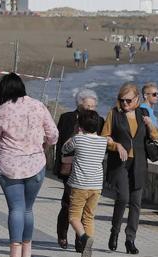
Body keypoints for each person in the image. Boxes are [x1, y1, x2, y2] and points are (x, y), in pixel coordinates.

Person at [0, 73, 58, 257]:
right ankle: (27, 252)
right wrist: (45, 145)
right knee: (27, 209)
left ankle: (14, 253)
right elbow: (54, 134)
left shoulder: (2, 110)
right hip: (36, 165)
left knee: (16, 209)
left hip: (9, 166)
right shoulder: (38, 106)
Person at [101, 82, 158, 254]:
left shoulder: (143, 113)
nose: (125, 104)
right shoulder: (114, 113)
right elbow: (105, 137)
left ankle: (130, 240)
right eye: (122, 100)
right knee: (123, 198)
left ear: (137, 99)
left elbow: (155, 136)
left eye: (128, 100)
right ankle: (115, 231)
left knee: (136, 203)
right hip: (120, 163)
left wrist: (149, 124)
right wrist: (116, 145)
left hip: (139, 163)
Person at [54, 89, 103, 251]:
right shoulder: (67, 118)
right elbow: (61, 145)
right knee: (67, 205)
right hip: (69, 171)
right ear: (79, 104)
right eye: (87, 105)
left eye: (93, 106)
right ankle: (62, 235)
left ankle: (81, 243)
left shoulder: (98, 120)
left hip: (86, 175)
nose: (90, 109)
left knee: (83, 213)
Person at [62, 109, 109, 257]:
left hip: (79, 186)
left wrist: (76, 134)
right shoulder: (103, 141)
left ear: (80, 125)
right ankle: (87, 250)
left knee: (74, 217)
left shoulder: (78, 139)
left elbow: (64, 149)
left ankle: (84, 238)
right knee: (89, 217)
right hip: (96, 186)